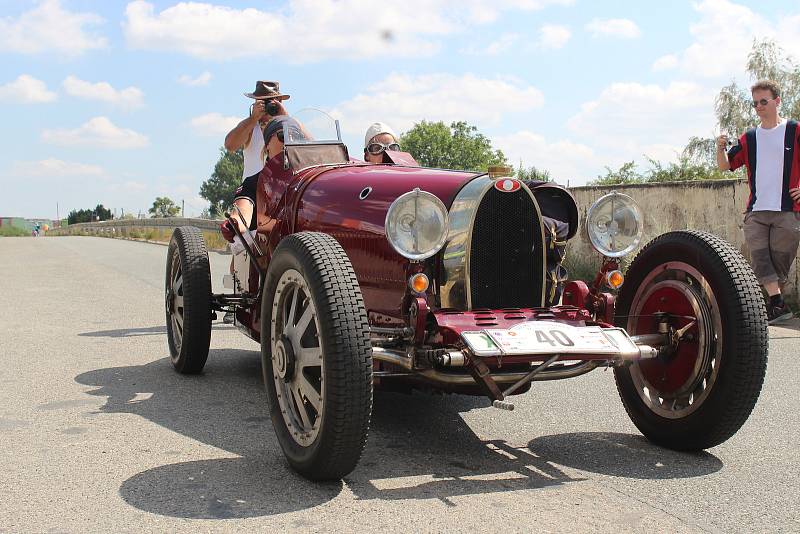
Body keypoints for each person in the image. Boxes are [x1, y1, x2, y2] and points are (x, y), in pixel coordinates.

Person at [717, 79, 800, 324]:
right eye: (755, 104)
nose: (759, 107)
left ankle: (776, 304)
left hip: (788, 210)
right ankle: (777, 303)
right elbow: (726, 165)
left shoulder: (795, 130)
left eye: (764, 101)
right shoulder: (750, 137)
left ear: (777, 101)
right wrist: (719, 149)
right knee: (760, 258)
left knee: (778, 264)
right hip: (756, 211)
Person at [223, 80, 290, 234]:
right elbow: (230, 145)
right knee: (243, 247)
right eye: (263, 103)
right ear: (255, 103)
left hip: (280, 197)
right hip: (252, 196)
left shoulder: (287, 128)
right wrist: (253, 119)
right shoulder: (250, 128)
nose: (268, 108)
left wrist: (284, 116)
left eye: (272, 102)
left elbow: (308, 146)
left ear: (279, 102)